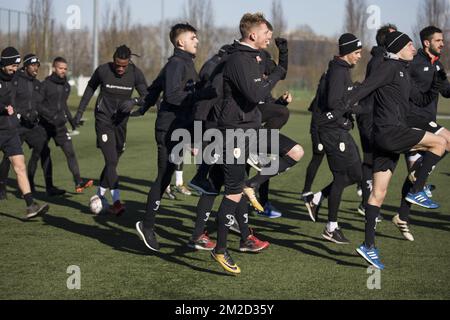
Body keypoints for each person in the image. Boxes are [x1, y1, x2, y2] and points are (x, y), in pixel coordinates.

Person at [317, 31, 446, 269]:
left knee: (378, 194)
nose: (414, 49)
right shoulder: (388, 67)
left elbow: (419, 99)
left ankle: (368, 246)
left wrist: (437, 83)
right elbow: (364, 89)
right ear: (398, 48)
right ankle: (417, 189)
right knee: (440, 142)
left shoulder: (404, 72)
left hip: (387, 137)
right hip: (390, 132)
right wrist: (337, 110)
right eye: (409, 45)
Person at [209, 13, 288, 274]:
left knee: (292, 151)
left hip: (247, 130)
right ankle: (220, 249)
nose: (269, 37)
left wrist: (279, 63)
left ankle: (251, 186)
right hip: (233, 133)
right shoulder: (239, 59)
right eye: (266, 32)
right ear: (252, 34)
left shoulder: (251, 57)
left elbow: (265, 85)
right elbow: (256, 93)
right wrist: (275, 75)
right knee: (231, 192)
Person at [135, 23, 216, 252]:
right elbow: (171, 95)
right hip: (169, 129)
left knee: (169, 173)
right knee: (164, 176)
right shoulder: (176, 64)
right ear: (180, 42)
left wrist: (142, 107)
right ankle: (147, 224)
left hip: (181, 129)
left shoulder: (186, 64)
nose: (196, 41)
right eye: (193, 37)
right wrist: (201, 94)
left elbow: (154, 88)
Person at [74, 45, 148, 216]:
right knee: (112, 160)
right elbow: (89, 89)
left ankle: (99, 195)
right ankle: (116, 201)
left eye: (124, 65)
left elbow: (147, 96)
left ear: (129, 61)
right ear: (114, 60)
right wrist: (79, 112)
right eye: (117, 64)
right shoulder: (103, 70)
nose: (120, 68)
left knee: (112, 162)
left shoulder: (135, 73)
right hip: (103, 120)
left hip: (121, 123)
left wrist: (134, 101)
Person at [304, 33, 364, 244]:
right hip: (332, 132)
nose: (359, 56)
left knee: (357, 174)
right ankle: (331, 227)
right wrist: (357, 108)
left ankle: (317, 198)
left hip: (338, 130)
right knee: (346, 176)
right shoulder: (338, 72)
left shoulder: (343, 70)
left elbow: (341, 101)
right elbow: (333, 102)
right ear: (347, 52)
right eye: (357, 52)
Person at [393, 26, 450, 241]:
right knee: (447, 142)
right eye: (438, 40)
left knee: (415, 174)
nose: (442, 43)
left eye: (443, 40)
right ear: (427, 43)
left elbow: (446, 91)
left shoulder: (438, 65)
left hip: (427, 122)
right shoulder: (414, 62)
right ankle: (420, 180)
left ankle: (402, 215)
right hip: (412, 120)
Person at [0, 53, 65, 197]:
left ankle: (48, 187)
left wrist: (52, 116)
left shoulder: (37, 84)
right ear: (26, 66)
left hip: (31, 126)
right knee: (8, 157)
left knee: (44, 151)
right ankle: (2, 186)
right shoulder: (16, 79)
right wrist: (21, 113)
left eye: (37, 65)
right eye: (33, 65)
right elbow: (11, 100)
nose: (36, 68)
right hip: (17, 125)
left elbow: (40, 104)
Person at [0, 47, 49, 218]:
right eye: (13, 65)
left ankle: (30, 206)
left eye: (17, 65)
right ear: (5, 63)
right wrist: (3, 108)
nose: (15, 68)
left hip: (10, 130)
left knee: (19, 166)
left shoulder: (16, 78)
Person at [355, 24, 397, 217]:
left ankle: (366, 200)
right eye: (394, 35)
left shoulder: (384, 58)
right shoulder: (380, 60)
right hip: (369, 115)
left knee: (371, 159)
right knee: (371, 159)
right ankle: (366, 202)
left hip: (372, 114)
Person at [39, 57, 94, 194]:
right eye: (60, 68)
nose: (63, 71)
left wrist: (72, 121)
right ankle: (45, 187)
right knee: (40, 154)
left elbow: (64, 105)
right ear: (53, 68)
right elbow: (38, 105)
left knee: (70, 152)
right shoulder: (45, 84)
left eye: (65, 68)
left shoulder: (66, 86)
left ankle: (78, 182)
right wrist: (50, 116)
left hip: (59, 126)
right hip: (43, 125)